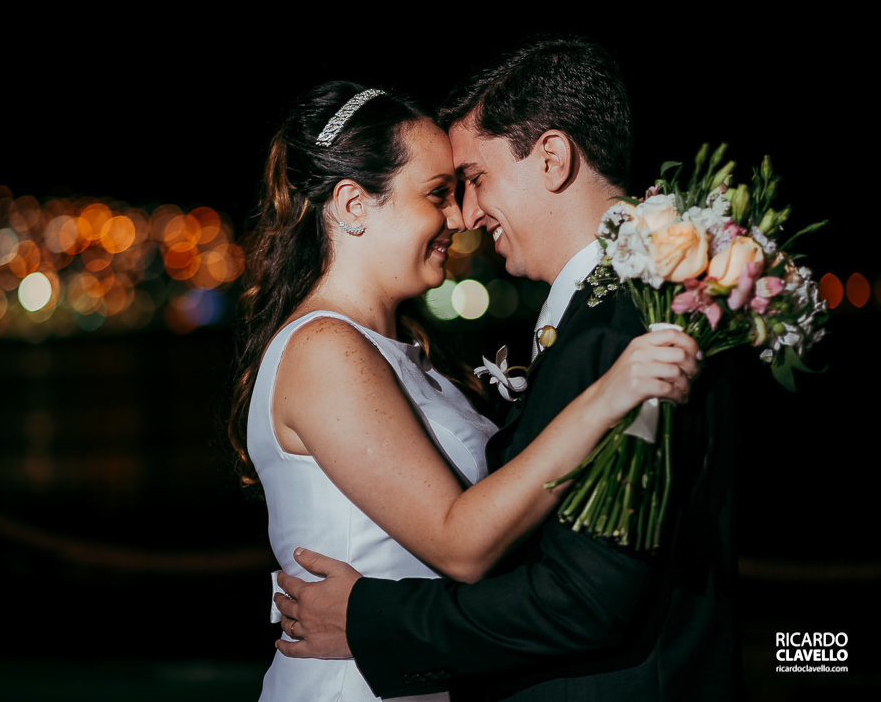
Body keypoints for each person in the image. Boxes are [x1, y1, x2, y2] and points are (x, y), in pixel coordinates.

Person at [273, 38, 740, 701]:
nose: (463, 215)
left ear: (551, 159)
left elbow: (584, 597)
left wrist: (371, 618)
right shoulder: (616, 311)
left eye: (472, 179)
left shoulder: (626, 326)